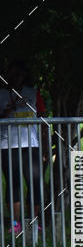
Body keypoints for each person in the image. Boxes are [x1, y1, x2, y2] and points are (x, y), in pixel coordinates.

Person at [0, 59, 46, 236]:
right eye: (11, 74)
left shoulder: (33, 93)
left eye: (19, 74)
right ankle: (15, 223)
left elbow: (42, 118)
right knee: (13, 184)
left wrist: (45, 147)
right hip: (7, 145)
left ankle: (33, 222)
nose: (15, 77)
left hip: (31, 144)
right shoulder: (2, 94)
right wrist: (6, 112)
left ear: (25, 76)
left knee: (34, 183)